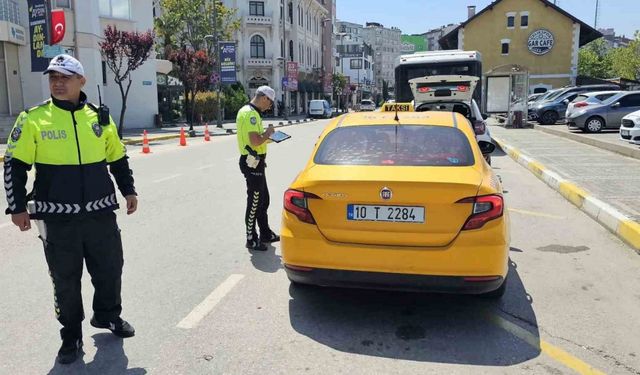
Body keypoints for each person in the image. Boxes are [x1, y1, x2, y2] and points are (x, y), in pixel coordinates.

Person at [2, 54, 137, 364]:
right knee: (65, 279)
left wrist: (128, 190)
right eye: (53, 78)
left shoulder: (99, 118)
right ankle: (71, 336)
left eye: (65, 77)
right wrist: (17, 207)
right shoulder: (33, 118)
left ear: (81, 82)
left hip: (100, 212)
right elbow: (14, 165)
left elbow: (117, 157)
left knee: (110, 269)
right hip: (57, 217)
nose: (58, 83)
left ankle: (107, 316)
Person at [236, 86, 280, 251]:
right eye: (270, 103)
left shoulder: (247, 111)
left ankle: (265, 233)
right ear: (264, 98)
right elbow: (255, 141)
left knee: (263, 199)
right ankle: (251, 238)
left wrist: (269, 138)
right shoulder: (251, 115)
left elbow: (256, 140)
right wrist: (269, 133)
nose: (270, 106)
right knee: (254, 202)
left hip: (257, 161)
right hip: (252, 162)